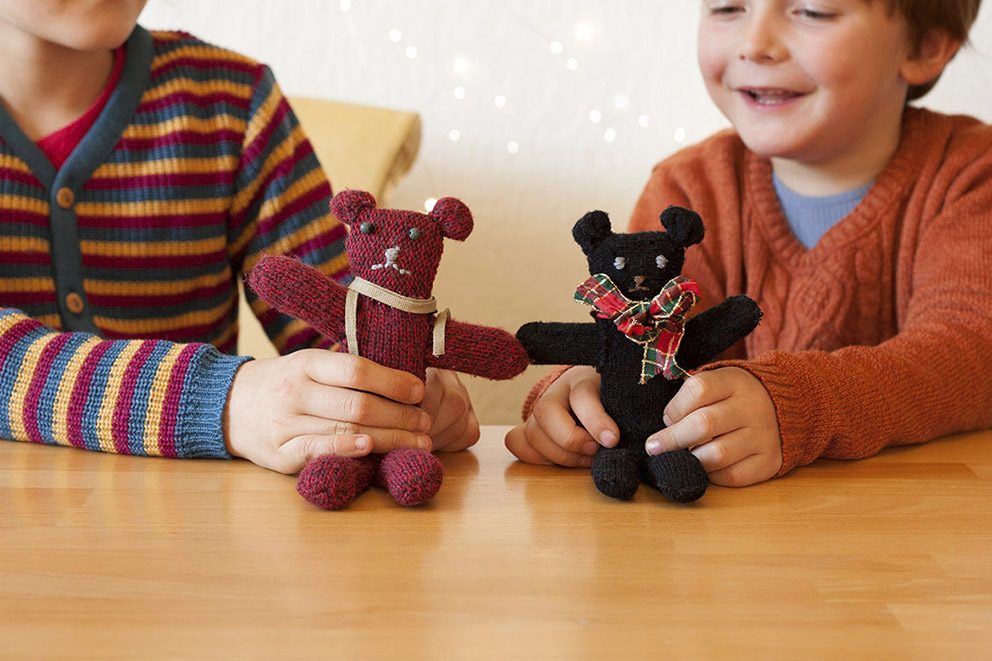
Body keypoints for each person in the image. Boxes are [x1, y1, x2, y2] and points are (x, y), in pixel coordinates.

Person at [506, 0, 992, 487]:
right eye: (728, 7)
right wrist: (579, 394)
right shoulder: (688, 191)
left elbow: (971, 355)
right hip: (726, 544)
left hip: (915, 531)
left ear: (925, 45)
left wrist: (799, 403)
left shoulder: (972, 175)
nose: (755, 44)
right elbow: (642, 349)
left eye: (812, 11)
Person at [0, 0, 479, 474]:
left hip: (194, 528)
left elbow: (341, 317)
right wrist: (223, 400)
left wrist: (393, 384)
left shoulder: (233, 102)